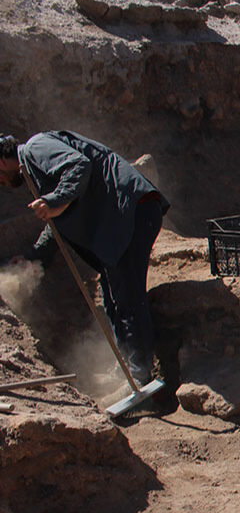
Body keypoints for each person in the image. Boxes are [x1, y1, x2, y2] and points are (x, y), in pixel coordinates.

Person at [0, 130, 169, 391]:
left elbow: (79, 165)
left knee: (127, 296)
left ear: (1, 162)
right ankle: (125, 366)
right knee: (113, 296)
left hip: (130, 211)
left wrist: (53, 200)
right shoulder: (33, 168)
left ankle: (139, 376)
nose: (2, 181)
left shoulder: (35, 147)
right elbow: (59, 220)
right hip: (121, 219)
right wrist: (36, 256)